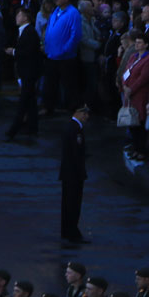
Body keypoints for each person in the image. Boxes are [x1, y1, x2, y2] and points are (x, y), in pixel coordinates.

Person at [5, 5, 43, 142]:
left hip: (29, 72)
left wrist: (14, 52)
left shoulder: (30, 32)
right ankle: (32, 127)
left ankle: (13, 130)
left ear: (25, 18)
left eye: (19, 15)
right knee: (30, 101)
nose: (16, 17)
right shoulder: (24, 31)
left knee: (23, 101)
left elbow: (29, 52)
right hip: (26, 71)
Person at [58, 103, 89, 245]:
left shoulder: (70, 127)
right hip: (74, 174)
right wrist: (81, 172)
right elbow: (77, 154)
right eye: (84, 113)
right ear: (77, 112)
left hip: (68, 173)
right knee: (73, 204)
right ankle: (72, 233)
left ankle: (67, 231)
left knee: (67, 204)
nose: (86, 116)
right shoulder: (76, 129)